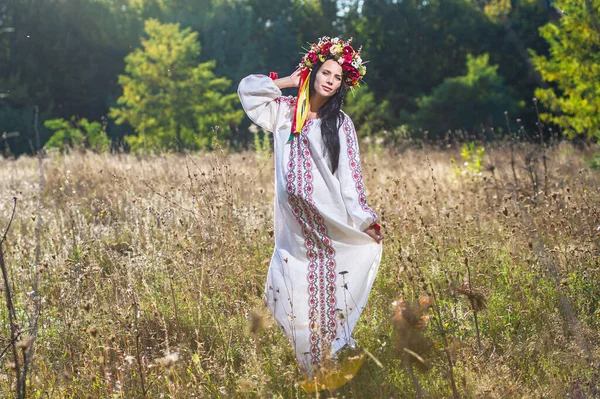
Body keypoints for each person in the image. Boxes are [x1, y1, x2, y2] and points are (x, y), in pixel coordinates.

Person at [237, 36, 383, 375]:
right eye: (325, 73)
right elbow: (249, 90)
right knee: (288, 280)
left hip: (327, 215)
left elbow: (350, 177)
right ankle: (310, 354)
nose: (330, 81)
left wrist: (365, 220)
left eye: (337, 78)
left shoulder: (341, 123)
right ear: (314, 71)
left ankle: (329, 353)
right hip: (294, 224)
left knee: (329, 279)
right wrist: (290, 80)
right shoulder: (285, 111)